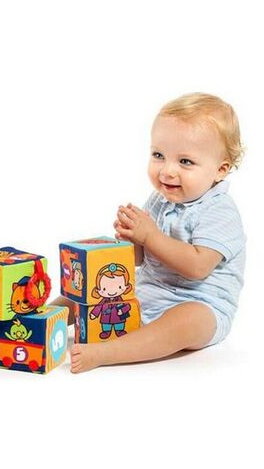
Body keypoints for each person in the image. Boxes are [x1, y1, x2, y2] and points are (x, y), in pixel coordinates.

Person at [55, 93, 246, 373]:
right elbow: (139, 259)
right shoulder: (160, 200)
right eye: (159, 155)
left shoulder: (220, 210)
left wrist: (150, 236)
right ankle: (47, 318)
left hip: (201, 304)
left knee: (186, 321)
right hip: (147, 292)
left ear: (221, 169)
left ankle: (106, 353)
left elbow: (197, 267)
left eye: (185, 161)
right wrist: (129, 240)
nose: (167, 171)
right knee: (98, 282)